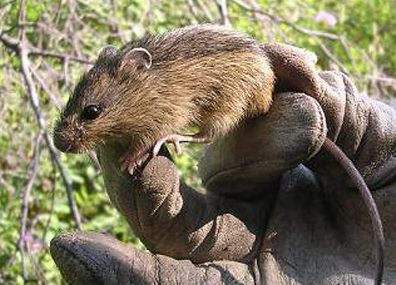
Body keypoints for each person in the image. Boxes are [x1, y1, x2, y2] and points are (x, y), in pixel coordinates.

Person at [50, 44, 396, 285]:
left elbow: (175, 112)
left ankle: (198, 138)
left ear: (135, 69)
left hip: (248, 85)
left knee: (207, 128)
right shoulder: (139, 86)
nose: (73, 133)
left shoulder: (158, 91)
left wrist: (146, 144)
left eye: (91, 115)